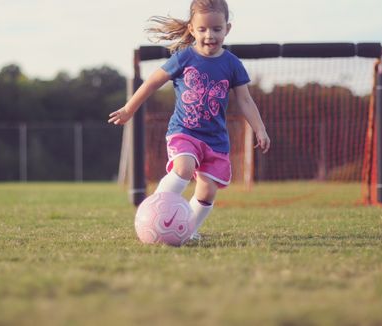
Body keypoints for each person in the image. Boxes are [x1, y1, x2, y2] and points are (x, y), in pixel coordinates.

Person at [108, 0, 270, 240]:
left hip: (215, 141)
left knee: (207, 192)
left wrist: (260, 129)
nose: (210, 35)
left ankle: (186, 230)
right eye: (202, 29)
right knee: (184, 168)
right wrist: (130, 109)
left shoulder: (233, 64)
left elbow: (245, 100)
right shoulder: (184, 58)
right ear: (192, 29)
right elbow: (152, 81)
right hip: (184, 132)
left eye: (217, 29)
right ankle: (155, 214)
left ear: (228, 28)